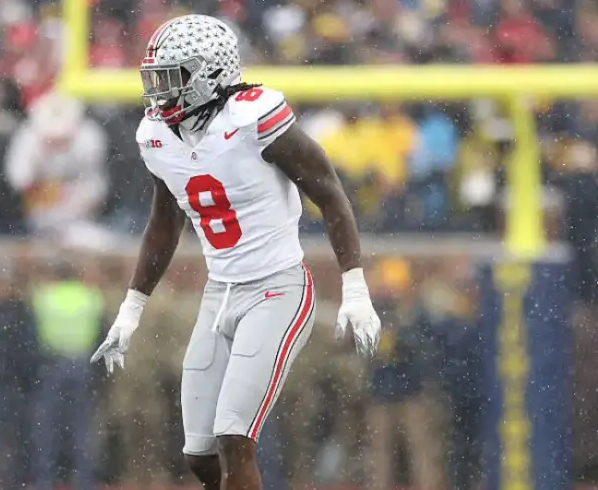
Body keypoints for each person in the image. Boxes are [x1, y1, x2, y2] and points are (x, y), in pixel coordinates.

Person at [89, 15, 382, 490]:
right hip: (219, 293)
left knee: (234, 436)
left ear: (209, 74)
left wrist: (355, 287)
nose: (160, 92)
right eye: (156, 79)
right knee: (198, 454)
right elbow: (164, 224)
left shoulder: (253, 118)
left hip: (277, 288)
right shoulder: (156, 135)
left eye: (172, 77)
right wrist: (131, 309)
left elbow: (330, 193)